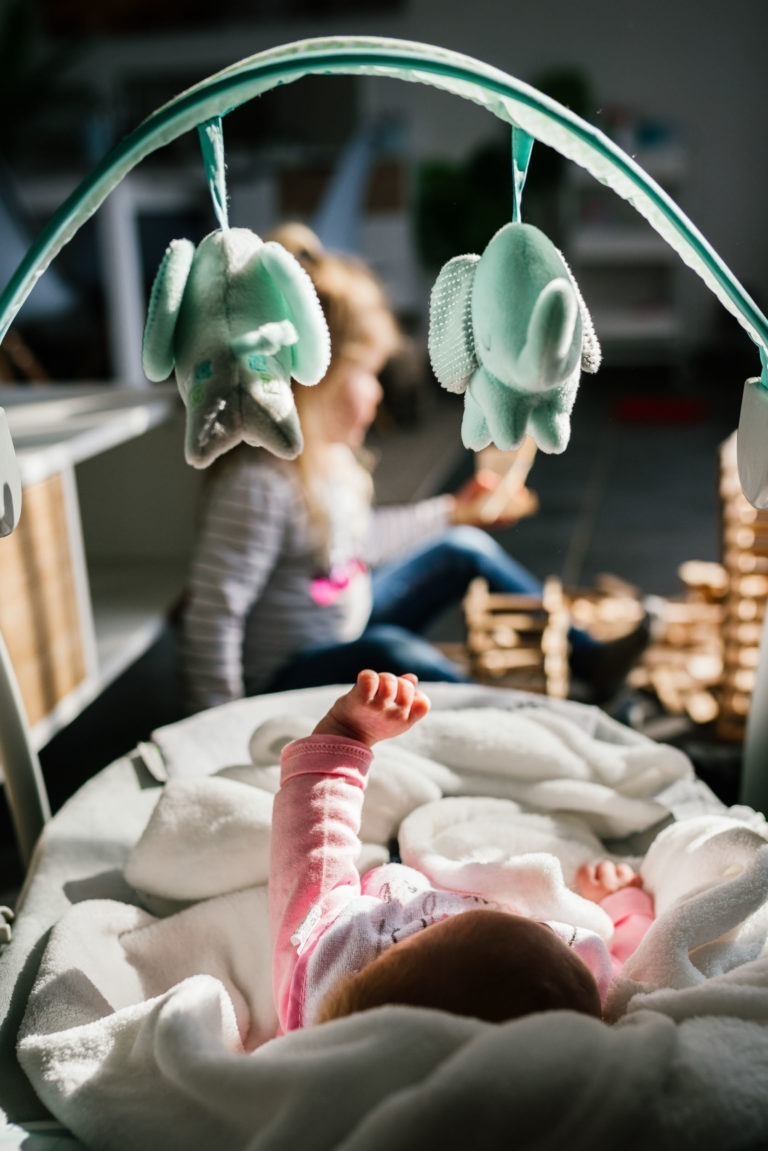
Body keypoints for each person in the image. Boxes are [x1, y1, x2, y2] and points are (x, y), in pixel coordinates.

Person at [181, 223, 648, 715]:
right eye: (366, 375)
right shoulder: (258, 486)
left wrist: (452, 513)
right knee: (391, 654)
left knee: (461, 549)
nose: (379, 393)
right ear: (313, 379)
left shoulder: (331, 463)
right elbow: (212, 617)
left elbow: (360, 542)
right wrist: (221, 723)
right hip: (286, 680)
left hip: (347, 622)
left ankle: (590, 659)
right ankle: (523, 720)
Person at [270, 669, 655, 1032]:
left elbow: (313, 841)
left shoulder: (327, 973)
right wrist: (622, 902)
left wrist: (346, 733)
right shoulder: (583, 996)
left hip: (398, 866)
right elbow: (634, 968)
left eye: (429, 925)